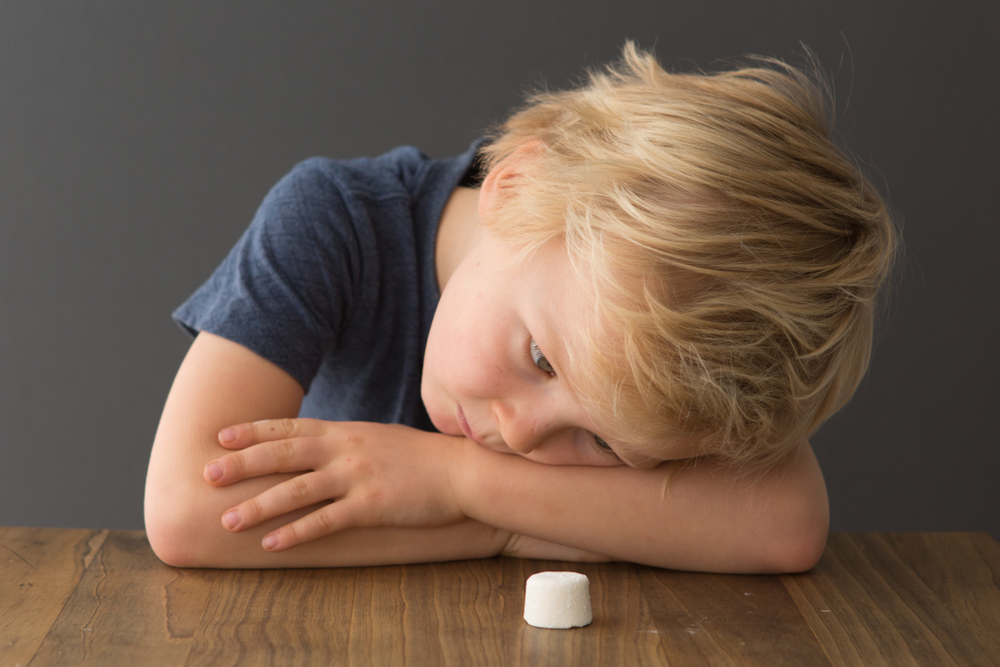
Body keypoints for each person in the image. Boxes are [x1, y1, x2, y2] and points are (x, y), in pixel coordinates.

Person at [144, 43, 896, 572]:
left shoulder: (600, 351)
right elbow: (186, 507)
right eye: (540, 357)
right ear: (516, 188)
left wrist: (456, 486)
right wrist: (505, 532)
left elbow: (786, 521)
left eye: (601, 445)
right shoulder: (333, 222)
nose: (524, 436)